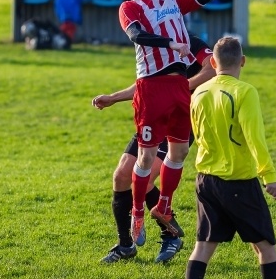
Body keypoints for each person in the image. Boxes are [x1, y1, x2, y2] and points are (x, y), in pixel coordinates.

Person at [180, 36, 276, 279]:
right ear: (242, 61)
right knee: (266, 246)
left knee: (203, 246)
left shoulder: (199, 92)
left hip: (205, 180)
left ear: (212, 63)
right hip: (238, 182)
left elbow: (197, 136)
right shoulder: (245, 92)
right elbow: (255, 138)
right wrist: (270, 178)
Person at [118, 0, 216, 246]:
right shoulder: (129, 7)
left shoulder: (171, 1)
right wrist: (170, 43)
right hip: (151, 86)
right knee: (146, 157)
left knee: (180, 152)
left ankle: (163, 205)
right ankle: (137, 212)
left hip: (177, 86)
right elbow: (137, 35)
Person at [92, 35, 215, 264]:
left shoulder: (193, 43)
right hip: (153, 113)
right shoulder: (156, 46)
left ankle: (171, 236)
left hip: (178, 117)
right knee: (121, 176)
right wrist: (113, 98)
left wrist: (177, 89)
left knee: (145, 180)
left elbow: (212, 68)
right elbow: (145, 83)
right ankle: (125, 245)